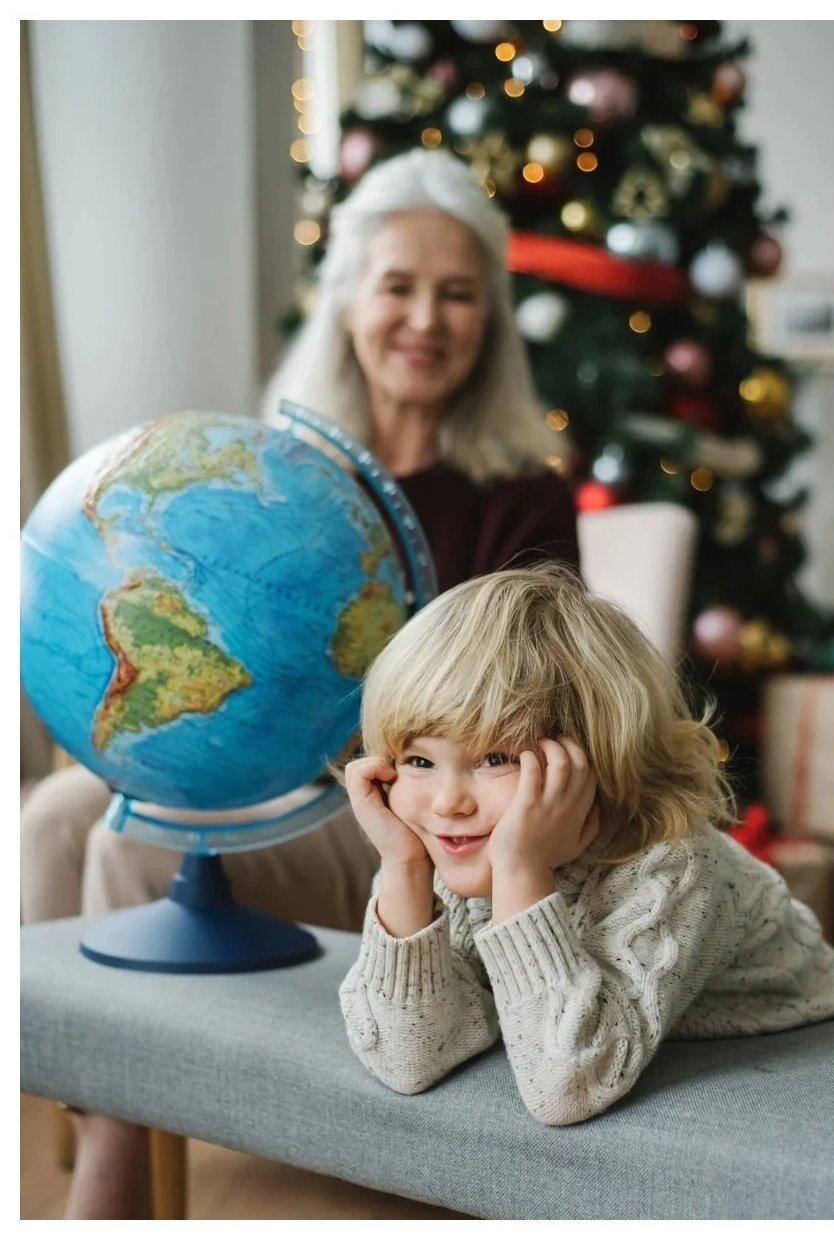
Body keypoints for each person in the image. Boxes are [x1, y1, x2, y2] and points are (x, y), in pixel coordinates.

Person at [20, 148, 579, 1217]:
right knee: (51, 820)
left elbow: (523, 701)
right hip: (270, 759)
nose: (425, 317)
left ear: (489, 322)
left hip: (388, 805)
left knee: (129, 842)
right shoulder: (289, 473)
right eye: (398, 287)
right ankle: (110, 1104)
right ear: (348, 304)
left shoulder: (518, 496)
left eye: (457, 294)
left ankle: (113, 1182)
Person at [338, 566, 834, 1127]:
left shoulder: (674, 863)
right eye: (420, 761)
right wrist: (403, 869)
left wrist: (521, 868)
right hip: (629, 1016)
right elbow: (406, 1059)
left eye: (496, 758)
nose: (447, 802)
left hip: (798, 1038)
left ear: (593, 758)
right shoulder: (442, 844)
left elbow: (568, 1087)